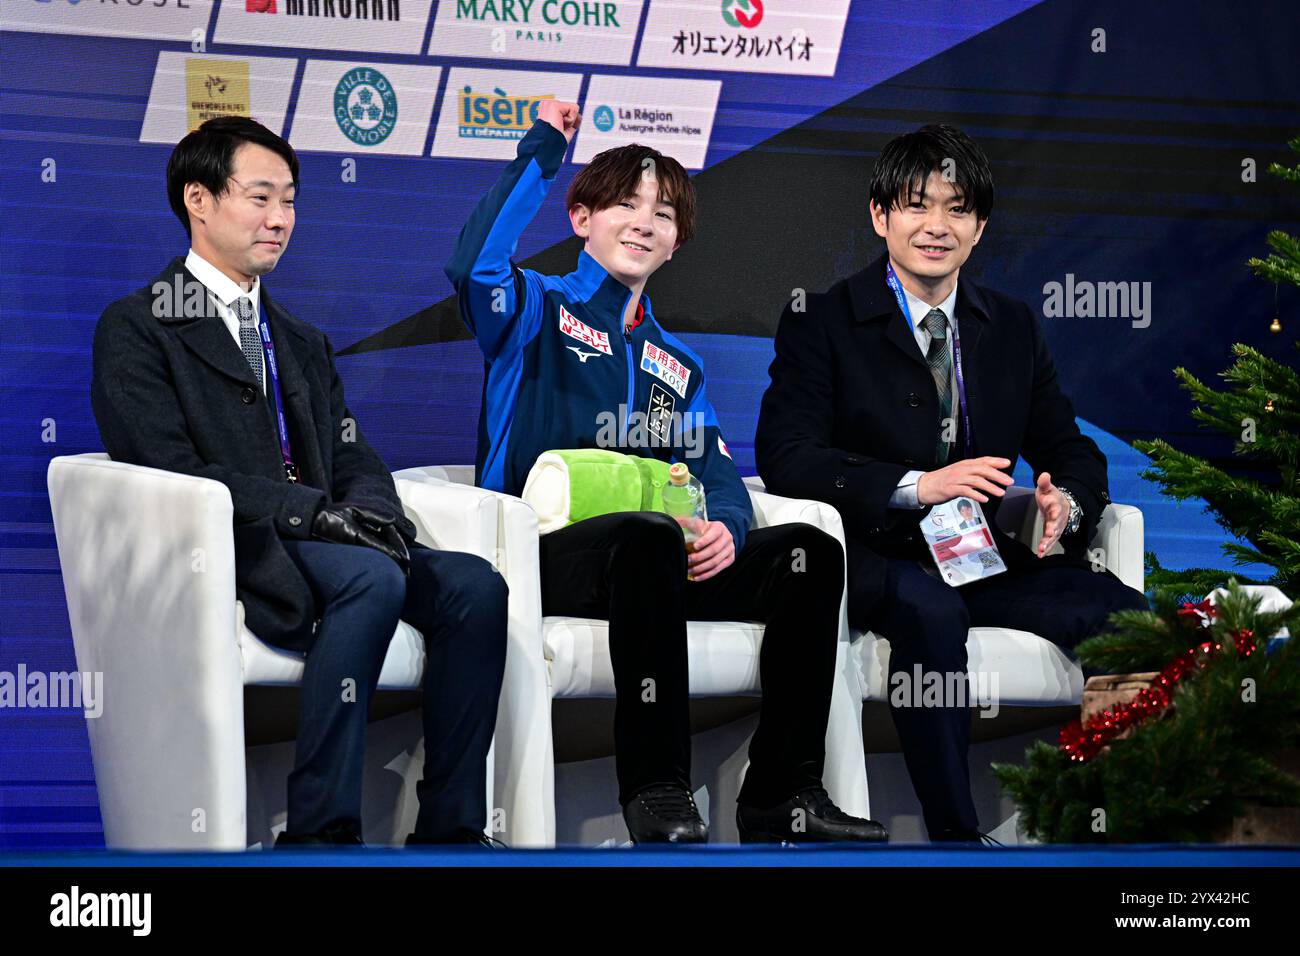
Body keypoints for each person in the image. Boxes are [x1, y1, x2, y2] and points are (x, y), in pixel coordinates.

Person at [446, 101, 884, 844]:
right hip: (539, 554)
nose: (644, 222)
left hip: (655, 561)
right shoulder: (532, 309)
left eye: (664, 213)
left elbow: (714, 470)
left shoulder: (677, 364)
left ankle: (783, 793)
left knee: (812, 555)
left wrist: (728, 529)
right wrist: (545, 148)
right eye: (624, 204)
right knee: (648, 537)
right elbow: (472, 265)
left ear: (677, 243)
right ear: (580, 218)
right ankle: (659, 789)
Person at [90, 116, 508, 847]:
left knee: (475, 586)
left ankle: (451, 828)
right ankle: (321, 829)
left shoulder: (300, 339)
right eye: (260, 198)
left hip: (331, 540)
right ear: (199, 199)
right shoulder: (140, 326)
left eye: (289, 200)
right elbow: (170, 472)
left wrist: (374, 513)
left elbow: (351, 452)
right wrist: (313, 514)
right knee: (369, 581)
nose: (280, 219)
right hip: (234, 545)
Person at [755, 124, 1146, 842]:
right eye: (916, 205)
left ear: (980, 226)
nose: (936, 226)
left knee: (1129, 619)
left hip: (981, 557)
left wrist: (1069, 503)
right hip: (871, 557)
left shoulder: (1012, 327)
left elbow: (1069, 446)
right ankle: (956, 844)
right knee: (932, 613)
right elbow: (788, 456)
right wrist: (916, 485)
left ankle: (1117, 832)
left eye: (957, 208)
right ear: (880, 216)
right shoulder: (823, 321)